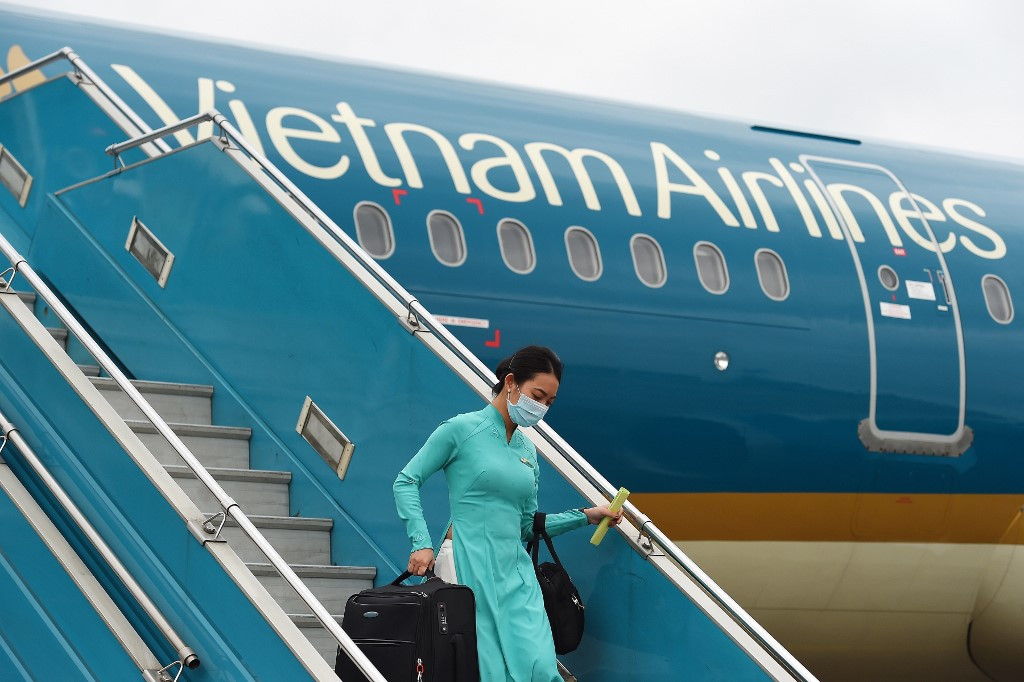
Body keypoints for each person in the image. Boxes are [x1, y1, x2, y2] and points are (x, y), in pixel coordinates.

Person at [393, 345, 622, 682]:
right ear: (511, 382)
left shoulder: (528, 449)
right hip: (467, 564)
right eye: (538, 396)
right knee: (490, 672)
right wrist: (420, 542)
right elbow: (406, 481)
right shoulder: (461, 429)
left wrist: (585, 516)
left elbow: (527, 526)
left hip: (515, 572)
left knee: (541, 667)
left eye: (549, 403)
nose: (541, 408)